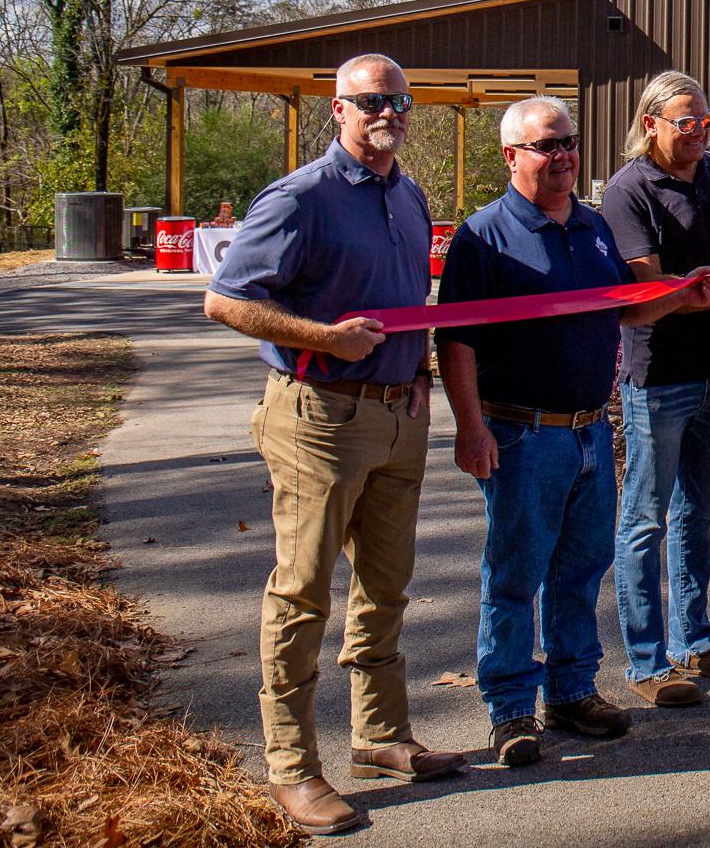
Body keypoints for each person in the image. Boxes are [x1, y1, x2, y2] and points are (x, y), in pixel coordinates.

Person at [203, 53, 464, 837]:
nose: (389, 111)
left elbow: (406, 299)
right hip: (318, 414)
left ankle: (380, 734)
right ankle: (291, 765)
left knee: (386, 586)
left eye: (401, 100)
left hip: (396, 413)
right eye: (371, 100)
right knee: (304, 591)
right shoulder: (298, 198)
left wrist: (417, 371)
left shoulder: (409, 193)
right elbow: (224, 300)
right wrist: (321, 337)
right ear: (338, 111)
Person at [436, 96, 710, 767]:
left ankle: (570, 689)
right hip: (520, 436)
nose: (563, 155)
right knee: (514, 576)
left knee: (579, 570)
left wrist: (683, 294)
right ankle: (510, 709)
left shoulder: (593, 228)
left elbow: (626, 307)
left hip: (591, 431)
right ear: (512, 156)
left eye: (568, 142)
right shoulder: (483, 237)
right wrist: (470, 426)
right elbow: (456, 341)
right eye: (547, 145)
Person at [600, 71, 710, 708]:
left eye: (707, 120)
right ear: (650, 124)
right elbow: (651, 288)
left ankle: (694, 641)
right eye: (686, 123)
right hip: (661, 376)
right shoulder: (627, 190)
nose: (700, 132)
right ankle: (647, 663)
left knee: (698, 512)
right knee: (645, 517)